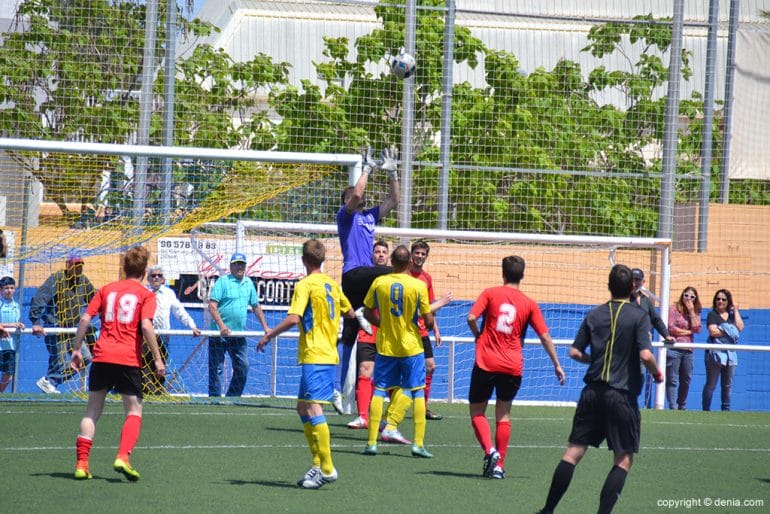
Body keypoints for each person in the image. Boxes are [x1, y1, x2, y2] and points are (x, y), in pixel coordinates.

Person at [537, 264, 664, 514]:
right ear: (632, 288)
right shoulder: (639, 317)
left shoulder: (594, 315)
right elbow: (646, 354)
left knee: (573, 453)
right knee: (623, 459)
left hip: (592, 393)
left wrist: (592, 361)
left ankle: (548, 510)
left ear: (608, 286)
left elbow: (574, 352)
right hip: (622, 396)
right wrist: (657, 373)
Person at [257, 239, 355, 489]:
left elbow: (293, 318)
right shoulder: (332, 284)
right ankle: (316, 463)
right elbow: (349, 311)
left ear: (304, 260)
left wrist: (269, 334)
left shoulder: (306, 284)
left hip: (317, 354)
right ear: (322, 260)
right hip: (323, 353)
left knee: (313, 410)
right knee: (302, 408)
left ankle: (328, 468)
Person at [70, 246, 164, 481]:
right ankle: (123, 456)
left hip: (101, 356)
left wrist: (76, 349)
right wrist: (157, 358)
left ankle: (82, 464)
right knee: (134, 410)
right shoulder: (146, 295)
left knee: (92, 410)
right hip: (128, 359)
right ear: (144, 271)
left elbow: (84, 318)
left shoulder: (106, 289)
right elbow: (145, 326)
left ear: (124, 268)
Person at [467, 256, 565, 480]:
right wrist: (557, 364)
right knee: (503, 415)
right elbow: (545, 336)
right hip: (512, 366)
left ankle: (490, 451)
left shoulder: (490, 293)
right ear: (523, 275)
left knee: (477, 412)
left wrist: (479, 336)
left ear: (502, 273)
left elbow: (471, 317)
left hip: (485, 362)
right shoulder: (529, 303)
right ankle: (499, 466)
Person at [335, 148, 399, 411]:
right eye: (352, 195)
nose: (358, 195)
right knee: (395, 273)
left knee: (349, 336)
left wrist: (394, 172)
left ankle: (337, 392)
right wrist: (368, 169)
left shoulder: (370, 216)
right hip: (353, 275)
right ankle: (363, 312)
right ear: (347, 200)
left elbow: (394, 200)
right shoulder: (344, 216)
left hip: (367, 279)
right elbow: (358, 193)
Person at [361, 245, 435, 458]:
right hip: (412, 347)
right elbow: (427, 318)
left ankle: (372, 442)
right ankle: (418, 444)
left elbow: (367, 312)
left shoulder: (379, 282)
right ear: (410, 262)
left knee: (379, 390)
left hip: (386, 346)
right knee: (418, 391)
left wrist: (382, 324)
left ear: (391, 260)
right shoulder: (418, 285)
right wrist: (428, 323)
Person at [31, 254, 96, 394]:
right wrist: (36, 321)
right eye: (75, 266)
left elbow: (94, 298)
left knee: (86, 357)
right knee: (58, 363)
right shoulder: (57, 279)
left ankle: (51, 381)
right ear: (68, 265)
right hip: (56, 327)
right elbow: (39, 298)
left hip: (73, 329)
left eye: (80, 266)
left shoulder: (83, 281)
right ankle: (50, 382)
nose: (78, 269)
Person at [208, 252, 269, 397]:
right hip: (219, 334)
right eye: (236, 264)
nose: (239, 267)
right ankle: (215, 401)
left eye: (242, 264)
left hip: (238, 335)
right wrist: (222, 326)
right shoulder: (223, 281)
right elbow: (212, 306)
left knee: (243, 366)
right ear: (231, 266)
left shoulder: (248, 284)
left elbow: (256, 306)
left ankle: (232, 398)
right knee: (216, 369)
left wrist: (265, 327)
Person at [347, 240, 390, 429]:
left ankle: (384, 418)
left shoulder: (395, 277)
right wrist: (361, 315)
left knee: (386, 378)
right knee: (364, 370)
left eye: (384, 251)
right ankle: (363, 416)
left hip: (390, 333)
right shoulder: (364, 276)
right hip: (368, 330)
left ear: (389, 256)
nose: (380, 254)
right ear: (372, 256)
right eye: (377, 251)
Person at [143, 264, 201, 394]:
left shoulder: (168, 293)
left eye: (159, 275)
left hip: (163, 335)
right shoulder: (143, 292)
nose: (156, 278)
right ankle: (147, 390)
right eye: (153, 275)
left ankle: (158, 390)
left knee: (161, 362)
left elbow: (179, 311)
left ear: (163, 279)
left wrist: (192, 325)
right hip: (145, 334)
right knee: (145, 361)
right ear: (148, 278)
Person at [407, 240, 445, 420]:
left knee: (430, 367)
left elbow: (430, 306)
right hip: (404, 331)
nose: (420, 256)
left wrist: (436, 330)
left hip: (421, 331)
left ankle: (423, 407)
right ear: (411, 254)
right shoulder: (403, 274)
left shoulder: (426, 278)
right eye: (417, 253)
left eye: (423, 254)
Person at [702, 289, 743, 411]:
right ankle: (706, 409)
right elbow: (713, 332)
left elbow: (740, 327)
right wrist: (731, 330)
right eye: (718, 299)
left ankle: (726, 409)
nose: (720, 301)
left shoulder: (731, 315)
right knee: (711, 384)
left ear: (728, 301)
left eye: (723, 299)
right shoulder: (712, 315)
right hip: (715, 354)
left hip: (730, 355)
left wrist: (735, 310)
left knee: (727, 385)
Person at [666, 287, 702, 410]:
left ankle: (682, 405)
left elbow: (697, 329)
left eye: (692, 297)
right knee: (672, 379)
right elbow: (671, 328)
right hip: (674, 349)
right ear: (682, 295)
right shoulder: (673, 309)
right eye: (686, 295)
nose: (688, 298)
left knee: (686, 379)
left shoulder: (696, 311)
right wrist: (688, 331)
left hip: (688, 350)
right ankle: (673, 407)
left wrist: (691, 311)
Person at [0, 277, 23, 392]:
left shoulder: (16, 306)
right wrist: (5, 326)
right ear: (1, 290)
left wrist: (18, 325)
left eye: (12, 288)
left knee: (8, 374)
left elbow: (15, 323)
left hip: (10, 345)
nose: (9, 291)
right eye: (6, 288)